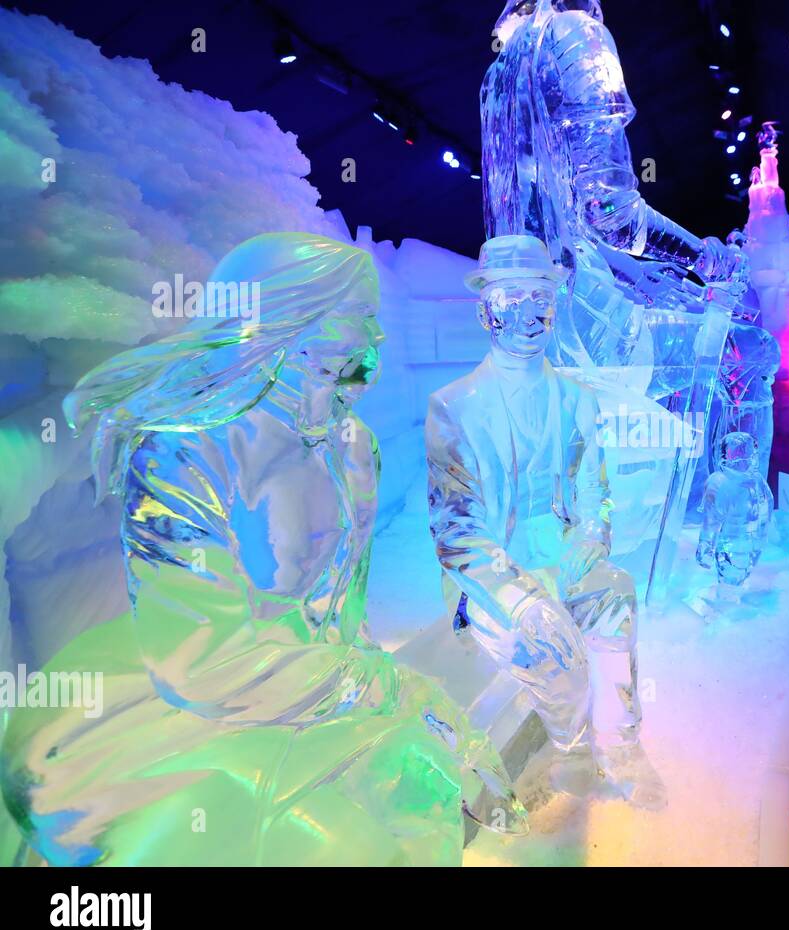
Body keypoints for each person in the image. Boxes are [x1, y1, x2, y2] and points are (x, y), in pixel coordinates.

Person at [2, 234, 524, 866]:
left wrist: (400, 710)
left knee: (425, 794)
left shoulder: (354, 445)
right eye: (357, 317)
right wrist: (396, 691)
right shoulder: (184, 451)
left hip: (308, 685)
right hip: (185, 708)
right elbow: (200, 664)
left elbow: (341, 622)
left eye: (376, 322)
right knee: (343, 849)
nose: (376, 341)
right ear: (284, 322)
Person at [426, 235, 666, 809]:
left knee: (617, 595)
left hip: (559, 550)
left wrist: (591, 532)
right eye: (513, 301)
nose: (530, 316)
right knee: (553, 649)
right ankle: (572, 748)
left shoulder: (578, 399)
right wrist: (517, 599)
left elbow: (594, 489)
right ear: (486, 310)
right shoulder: (455, 405)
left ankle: (620, 741)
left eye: (541, 300)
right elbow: (457, 531)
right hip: (490, 575)